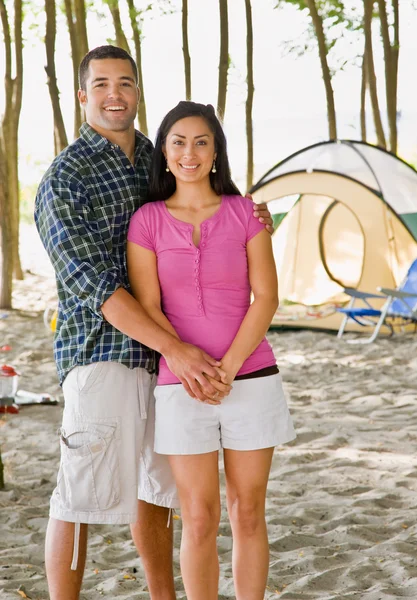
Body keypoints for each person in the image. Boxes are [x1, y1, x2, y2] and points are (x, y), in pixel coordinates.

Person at [34, 45, 274, 600]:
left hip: (167, 363)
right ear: (82, 95)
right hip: (102, 353)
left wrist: (251, 218)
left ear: (138, 91)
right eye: (100, 84)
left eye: (125, 83)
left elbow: (201, 214)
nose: (113, 94)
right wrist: (179, 350)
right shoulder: (64, 179)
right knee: (79, 494)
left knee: (159, 492)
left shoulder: (155, 154)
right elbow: (95, 289)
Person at [126, 101, 296, 600]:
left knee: (247, 509)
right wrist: (187, 360)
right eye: (178, 142)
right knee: (198, 517)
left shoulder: (247, 213)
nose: (190, 152)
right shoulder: (147, 221)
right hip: (181, 387)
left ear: (217, 151)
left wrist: (228, 368)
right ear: (164, 152)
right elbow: (148, 304)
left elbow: (267, 297)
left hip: (253, 378)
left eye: (202, 141)